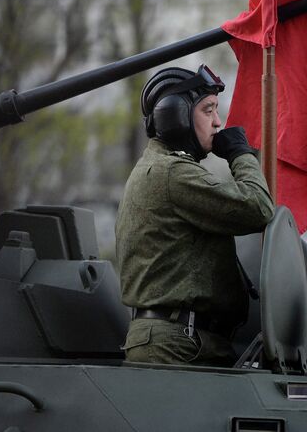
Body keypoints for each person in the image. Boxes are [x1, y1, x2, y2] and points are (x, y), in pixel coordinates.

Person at [115, 64, 274, 367]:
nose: (218, 122)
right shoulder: (172, 173)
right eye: (208, 110)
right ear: (175, 116)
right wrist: (241, 154)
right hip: (177, 345)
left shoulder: (162, 168)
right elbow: (257, 208)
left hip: (184, 340)